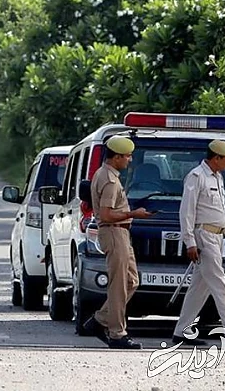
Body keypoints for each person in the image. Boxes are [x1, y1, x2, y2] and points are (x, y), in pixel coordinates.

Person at [83, 135, 153, 349]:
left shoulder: (105, 173)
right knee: (119, 286)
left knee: (131, 281)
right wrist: (135, 213)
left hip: (120, 233)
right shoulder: (110, 180)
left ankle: (98, 321)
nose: (130, 160)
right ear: (116, 157)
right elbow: (105, 215)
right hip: (113, 232)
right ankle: (117, 333)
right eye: (127, 156)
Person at [172, 140, 225, 347]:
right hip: (204, 237)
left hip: (217, 236)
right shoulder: (196, 176)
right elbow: (187, 211)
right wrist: (189, 242)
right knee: (219, 284)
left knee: (199, 289)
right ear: (215, 158)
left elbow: (220, 211)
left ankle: (181, 331)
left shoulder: (218, 178)